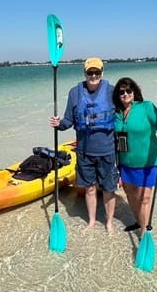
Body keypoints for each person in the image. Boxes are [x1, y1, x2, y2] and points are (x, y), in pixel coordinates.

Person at [49, 57, 119, 235]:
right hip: (84, 152)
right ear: (85, 73)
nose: (93, 76)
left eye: (97, 72)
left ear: (102, 73)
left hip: (107, 150)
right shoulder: (75, 93)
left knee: (109, 189)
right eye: (90, 72)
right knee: (89, 188)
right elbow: (68, 121)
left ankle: (109, 223)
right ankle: (92, 221)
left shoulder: (112, 91)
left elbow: (125, 115)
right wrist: (58, 124)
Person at [112, 77, 157, 236]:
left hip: (147, 162)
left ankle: (145, 233)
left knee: (144, 198)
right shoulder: (116, 113)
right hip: (125, 163)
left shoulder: (146, 107)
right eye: (122, 92)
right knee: (131, 194)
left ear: (134, 92)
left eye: (129, 90)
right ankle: (139, 222)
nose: (125, 94)